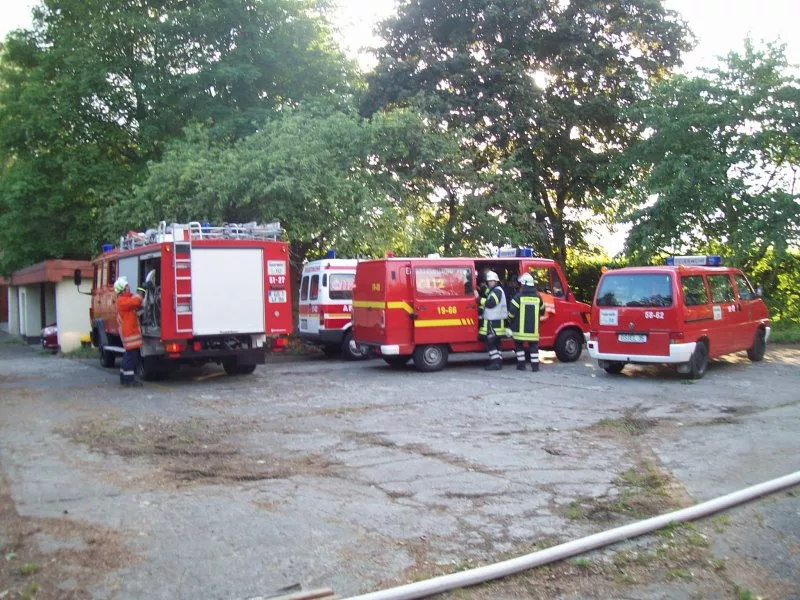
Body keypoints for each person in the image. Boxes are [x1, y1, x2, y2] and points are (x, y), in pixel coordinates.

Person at [507, 272, 544, 372]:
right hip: (533, 330)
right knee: (534, 348)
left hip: (520, 331)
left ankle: (521, 365)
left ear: (523, 284)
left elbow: (511, 313)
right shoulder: (538, 297)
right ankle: (535, 367)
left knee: (519, 347)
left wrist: (509, 322)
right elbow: (543, 311)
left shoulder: (518, 297)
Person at [114, 276, 146, 387]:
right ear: (122, 289)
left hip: (130, 332)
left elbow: (137, 304)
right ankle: (128, 380)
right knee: (131, 357)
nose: (129, 287)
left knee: (128, 356)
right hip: (129, 333)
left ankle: (124, 378)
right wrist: (142, 290)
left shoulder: (125, 299)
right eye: (127, 286)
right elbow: (136, 301)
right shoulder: (122, 301)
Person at [478, 270, 507, 370]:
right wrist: (481, 289)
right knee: (496, 343)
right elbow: (487, 294)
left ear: (496, 281)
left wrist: (479, 299)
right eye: (488, 281)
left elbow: (491, 303)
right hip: (495, 322)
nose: (489, 282)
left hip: (495, 322)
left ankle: (495, 363)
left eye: (491, 281)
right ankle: (498, 361)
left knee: (490, 342)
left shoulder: (497, 291)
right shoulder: (494, 291)